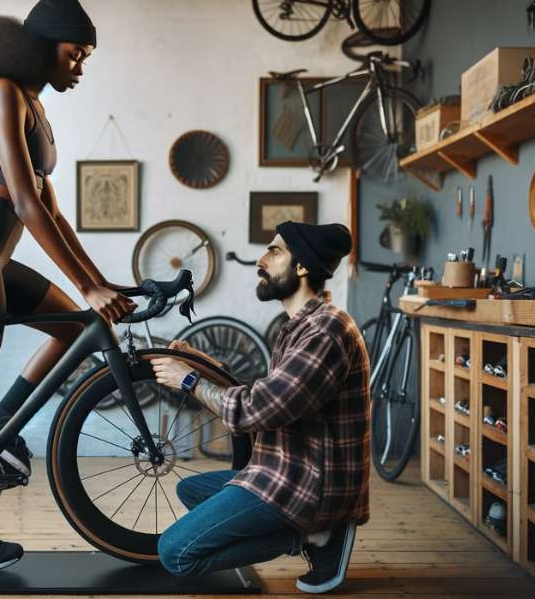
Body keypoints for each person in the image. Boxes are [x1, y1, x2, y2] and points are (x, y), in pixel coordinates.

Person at [0, 0, 136, 572]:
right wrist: (89, 286)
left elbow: (54, 214)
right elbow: (23, 202)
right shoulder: (2, 93)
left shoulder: (35, 107)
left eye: (85, 58)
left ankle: (0, 423)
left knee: (74, 327)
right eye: (75, 54)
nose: (80, 67)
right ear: (43, 45)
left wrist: (100, 283)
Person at [150, 222, 370, 594]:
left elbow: (256, 412)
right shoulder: (302, 325)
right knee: (192, 490)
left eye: (275, 251)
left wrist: (189, 381)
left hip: (308, 484)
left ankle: (316, 535)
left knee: (175, 553)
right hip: (280, 468)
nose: (261, 261)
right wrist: (205, 365)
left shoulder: (325, 332)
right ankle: (305, 529)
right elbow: (271, 396)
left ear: (302, 267)